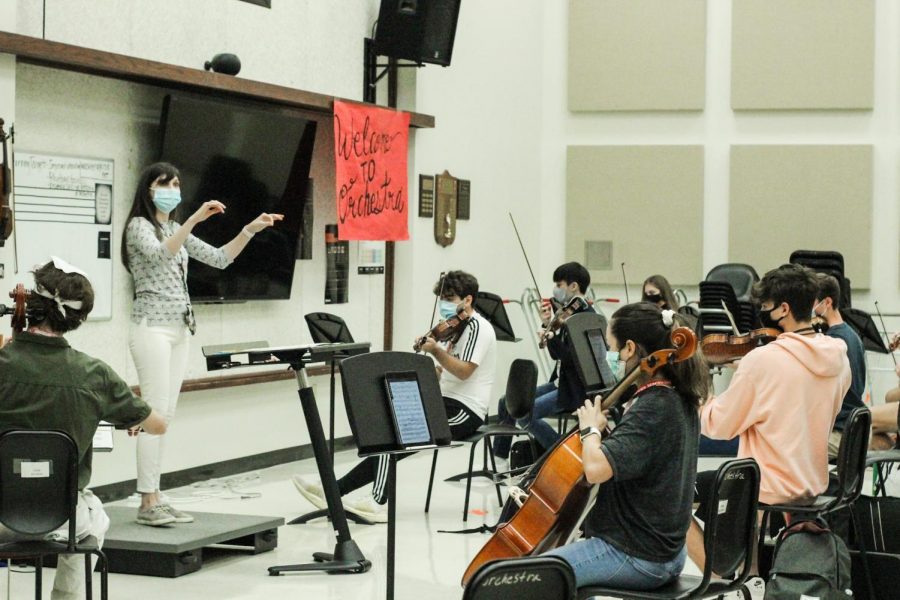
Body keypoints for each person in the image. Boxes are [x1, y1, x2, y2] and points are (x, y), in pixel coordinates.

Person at [121, 162, 283, 526]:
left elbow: (220, 258)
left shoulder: (175, 227)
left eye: (177, 183)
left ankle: (156, 495)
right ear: (148, 190)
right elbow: (161, 254)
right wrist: (194, 218)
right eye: (165, 184)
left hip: (180, 329)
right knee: (153, 415)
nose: (172, 189)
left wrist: (249, 230)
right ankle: (147, 501)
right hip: (151, 328)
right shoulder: (138, 227)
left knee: (166, 417)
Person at [0, 258, 166, 600]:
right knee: (95, 517)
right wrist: (114, 414)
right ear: (80, 319)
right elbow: (157, 425)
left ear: (29, 304)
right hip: (62, 519)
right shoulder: (96, 375)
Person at [292, 270, 497, 522]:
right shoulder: (455, 330)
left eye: (450, 298)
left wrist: (435, 351)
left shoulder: (479, 328)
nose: (444, 304)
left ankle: (374, 501)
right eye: (442, 297)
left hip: (466, 411)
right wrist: (428, 367)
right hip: (443, 401)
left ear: (468, 300)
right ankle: (335, 491)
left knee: (398, 437)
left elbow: (465, 371)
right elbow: (445, 371)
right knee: (390, 429)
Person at [688, 264, 851, 573]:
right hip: (812, 481)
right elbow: (799, 400)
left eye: (764, 307)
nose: (761, 314)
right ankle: (749, 575)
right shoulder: (837, 357)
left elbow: (717, 426)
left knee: (678, 493)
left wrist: (703, 393)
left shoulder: (762, 360)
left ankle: (728, 579)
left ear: (783, 309)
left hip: (766, 485)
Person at [542, 303, 708, 590]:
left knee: (536, 577)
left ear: (630, 348)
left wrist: (590, 430)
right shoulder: (676, 395)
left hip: (638, 555)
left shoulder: (654, 405)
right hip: (663, 550)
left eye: (611, 347)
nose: (609, 356)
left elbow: (595, 470)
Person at [494, 262, 604, 466]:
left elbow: (573, 359)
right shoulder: (566, 314)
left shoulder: (586, 317)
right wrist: (547, 326)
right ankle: (499, 459)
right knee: (506, 401)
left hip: (574, 389)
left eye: (559, 284)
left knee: (525, 414)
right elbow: (556, 356)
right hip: (559, 382)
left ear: (573, 286)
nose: (556, 289)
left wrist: (552, 336)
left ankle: (562, 456)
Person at [814, 273, 867, 458]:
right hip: (851, 427)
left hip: (839, 433)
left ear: (827, 302)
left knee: (788, 448)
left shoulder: (834, 341)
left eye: (813, 302)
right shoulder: (851, 334)